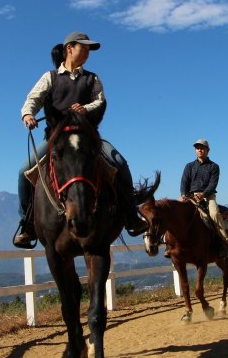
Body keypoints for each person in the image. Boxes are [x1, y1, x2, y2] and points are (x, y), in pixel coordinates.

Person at [13, 31, 147, 248]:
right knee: (23, 172)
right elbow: (33, 99)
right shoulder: (50, 77)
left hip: (89, 138)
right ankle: (27, 225)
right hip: (57, 140)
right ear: (69, 48)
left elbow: (100, 101)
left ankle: (131, 216)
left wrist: (85, 108)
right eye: (83, 48)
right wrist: (27, 114)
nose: (86, 53)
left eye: (88, 50)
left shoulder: (92, 78)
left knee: (120, 164)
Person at [172, 139, 228, 257]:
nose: (199, 149)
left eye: (202, 148)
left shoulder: (214, 166)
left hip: (208, 195)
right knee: (176, 213)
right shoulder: (189, 166)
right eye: (197, 148)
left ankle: (224, 242)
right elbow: (184, 182)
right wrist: (183, 194)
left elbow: (213, 184)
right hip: (191, 196)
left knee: (214, 213)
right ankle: (170, 245)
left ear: (208, 150)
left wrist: (203, 194)